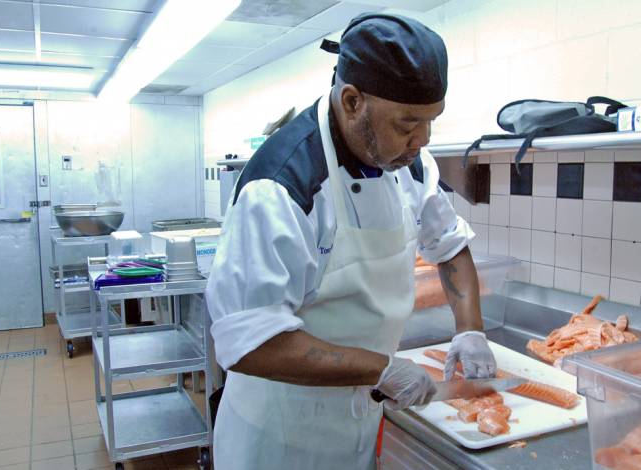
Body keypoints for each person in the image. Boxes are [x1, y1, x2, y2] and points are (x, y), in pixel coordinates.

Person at [205, 12, 497, 470]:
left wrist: (470, 328)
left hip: (355, 425)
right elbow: (249, 343)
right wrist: (380, 369)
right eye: (407, 123)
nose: (421, 140)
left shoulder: (411, 164)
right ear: (352, 101)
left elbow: (449, 245)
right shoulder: (282, 186)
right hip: (278, 436)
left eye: (430, 122)